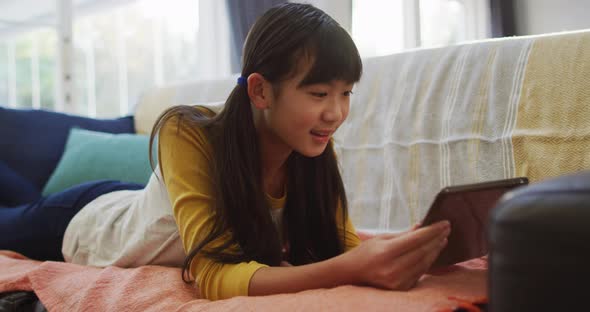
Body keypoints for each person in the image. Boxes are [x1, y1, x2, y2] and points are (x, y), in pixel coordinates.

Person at [0, 3, 450, 301]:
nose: (336, 113)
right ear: (260, 90)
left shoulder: (312, 149)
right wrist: (351, 268)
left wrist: (407, 246)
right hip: (88, 220)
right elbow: (212, 275)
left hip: (148, 206)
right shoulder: (188, 130)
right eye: (317, 93)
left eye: (346, 93)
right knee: (10, 216)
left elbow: (343, 249)